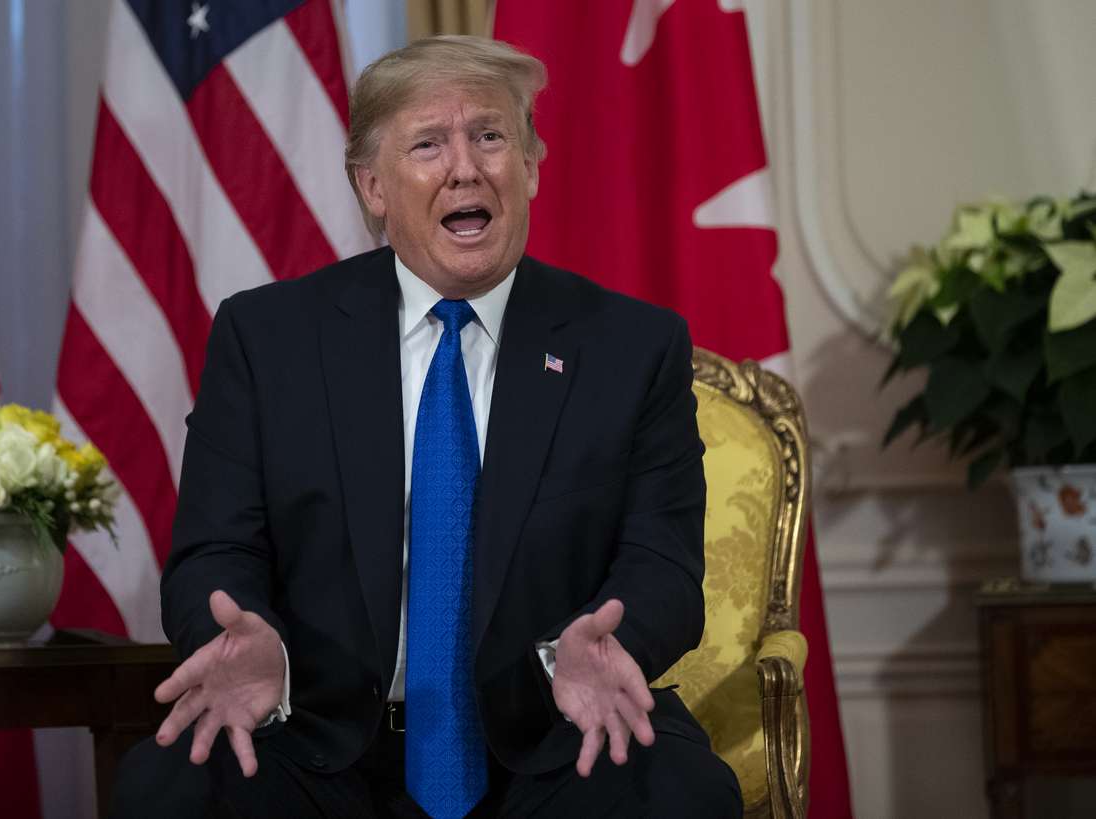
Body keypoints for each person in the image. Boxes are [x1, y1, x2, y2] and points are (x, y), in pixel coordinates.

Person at [111, 35, 740, 818]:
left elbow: (664, 566)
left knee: (678, 793)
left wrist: (607, 643)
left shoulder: (631, 347)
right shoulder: (267, 340)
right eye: (429, 144)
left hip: (555, 735)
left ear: (532, 166)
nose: (466, 168)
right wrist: (259, 639)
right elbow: (215, 549)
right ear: (373, 186)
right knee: (168, 789)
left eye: (489, 136)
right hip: (322, 740)